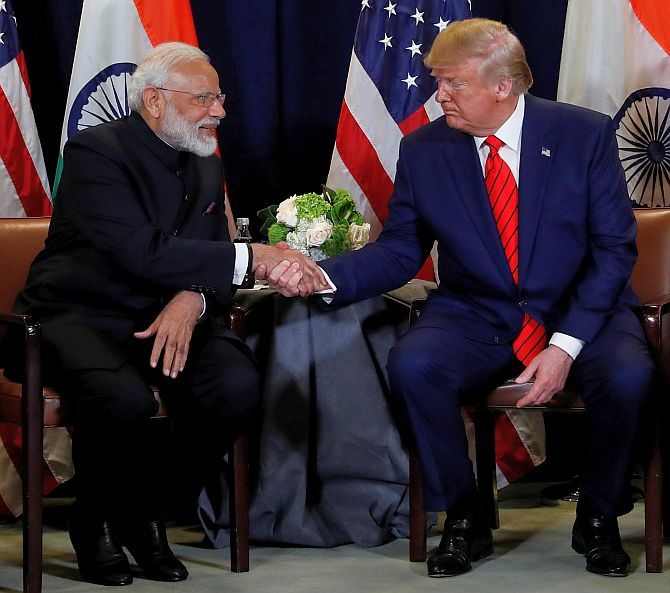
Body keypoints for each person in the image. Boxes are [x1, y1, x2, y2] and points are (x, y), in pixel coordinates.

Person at [265, 18, 655, 578]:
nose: (438, 95)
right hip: (478, 311)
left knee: (628, 377)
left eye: (452, 83)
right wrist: (324, 277)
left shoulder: (583, 134)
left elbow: (614, 251)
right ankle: (464, 514)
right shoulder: (425, 149)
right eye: (437, 82)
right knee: (414, 365)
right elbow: (402, 250)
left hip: (580, 308)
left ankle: (598, 517)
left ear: (504, 86)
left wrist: (565, 346)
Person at [7, 42, 323, 587]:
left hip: (172, 313)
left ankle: (144, 509)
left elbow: (200, 258)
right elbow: (138, 250)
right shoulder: (95, 153)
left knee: (235, 385)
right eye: (204, 98)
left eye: (219, 97)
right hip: (80, 314)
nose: (219, 111)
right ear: (154, 100)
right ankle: (92, 521)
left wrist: (194, 298)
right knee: (123, 401)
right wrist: (254, 257)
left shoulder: (205, 161)